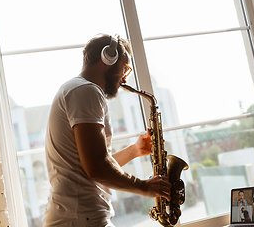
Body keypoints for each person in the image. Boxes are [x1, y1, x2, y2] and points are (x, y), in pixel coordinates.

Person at [43, 34, 171, 227]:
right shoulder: (86, 91)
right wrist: (145, 187)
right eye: (125, 67)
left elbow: (92, 164)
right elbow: (96, 168)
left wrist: (135, 150)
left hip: (81, 216)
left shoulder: (79, 90)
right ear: (108, 58)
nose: (125, 76)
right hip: (81, 217)